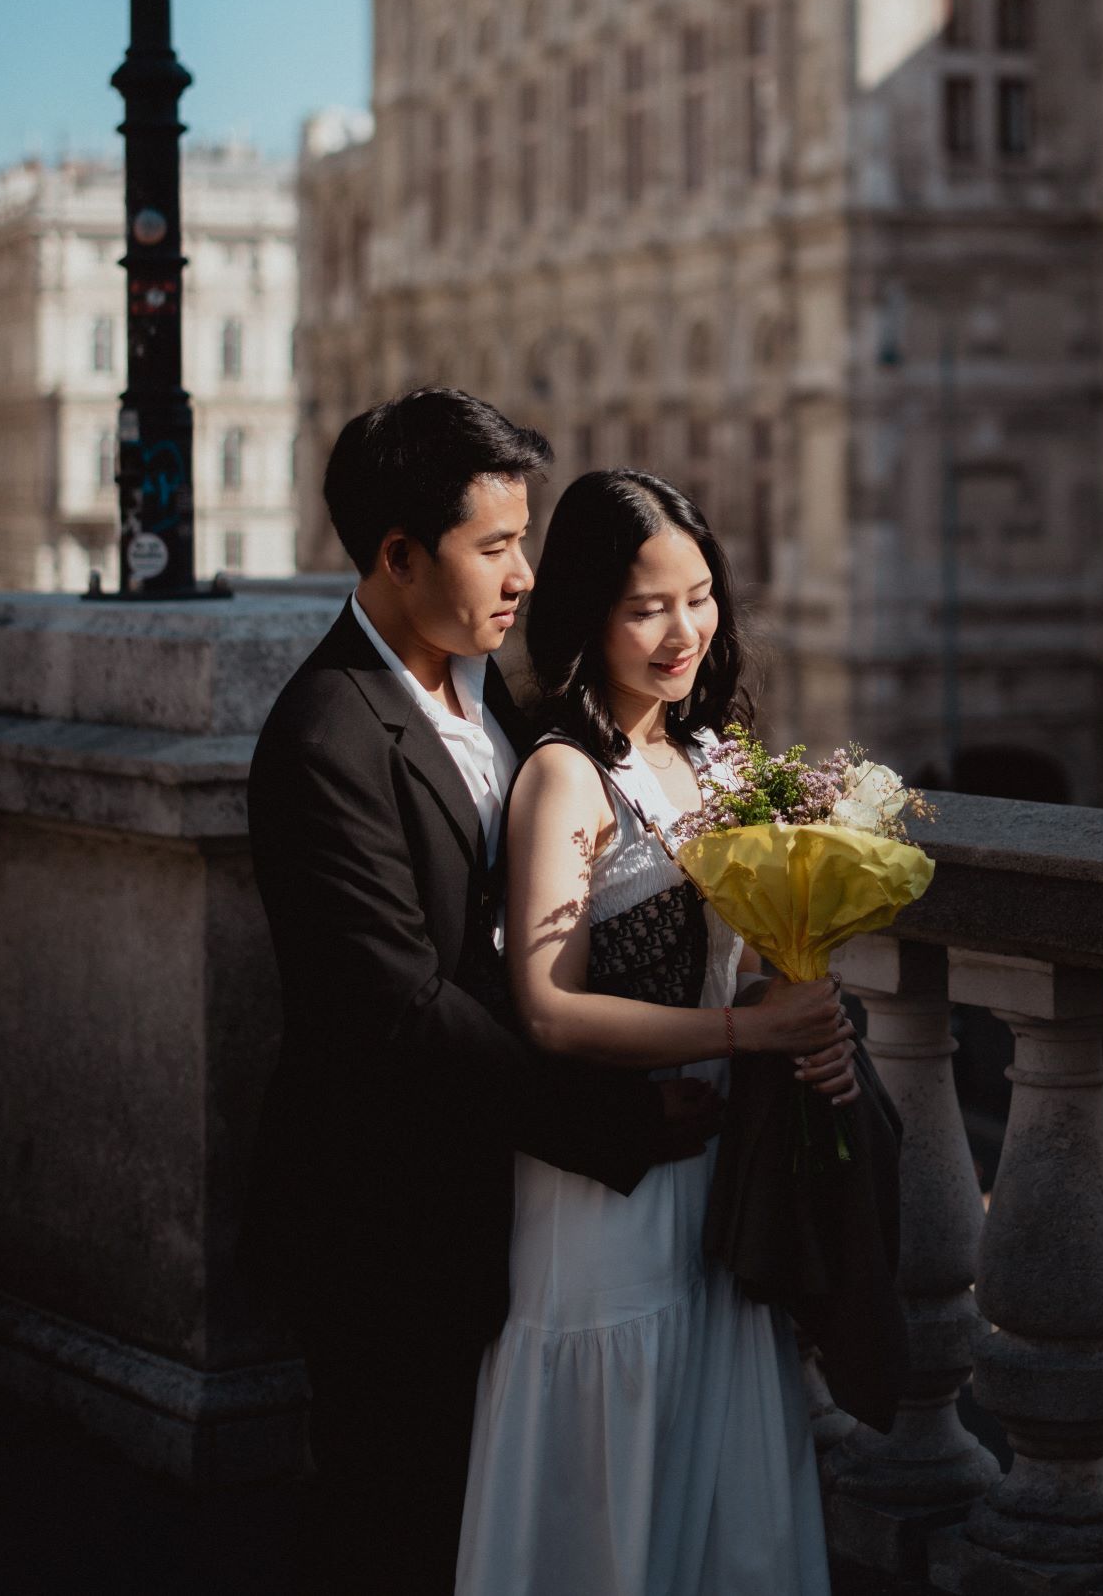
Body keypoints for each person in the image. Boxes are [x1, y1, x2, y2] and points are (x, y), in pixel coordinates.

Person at [242, 392, 723, 1596]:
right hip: (385, 1216)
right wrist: (612, 1125)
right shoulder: (323, 736)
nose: (522, 574)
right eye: (493, 546)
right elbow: (402, 1007)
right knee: (386, 1522)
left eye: (524, 539)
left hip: (493, 1199)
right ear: (399, 556)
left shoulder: (487, 692)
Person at [456, 467, 854, 1596]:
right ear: (587, 611)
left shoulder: (705, 759)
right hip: (604, 1198)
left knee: (711, 1482)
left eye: (699, 596)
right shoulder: (563, 776)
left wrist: (806, 1018)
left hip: (711, 1182)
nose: (683, 629)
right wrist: (746, 1033)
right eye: (646, 607)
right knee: (613, 1480)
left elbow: (765, 960)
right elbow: (547, 1004)